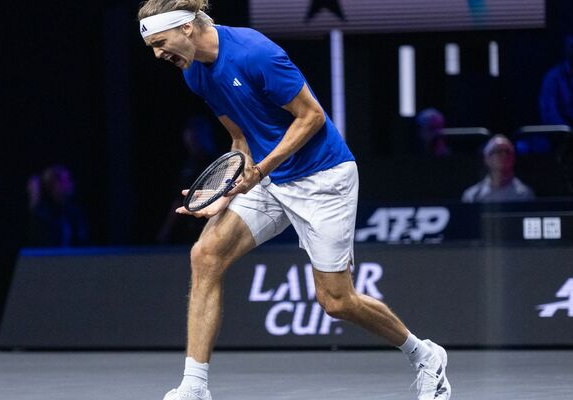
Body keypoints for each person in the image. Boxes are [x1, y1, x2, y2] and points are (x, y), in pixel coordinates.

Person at [137, 1, 451, 399]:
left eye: (160, 42)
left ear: (185, 28)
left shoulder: (255, 53)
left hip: (323, 178)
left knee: (336, 301)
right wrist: (227, 189)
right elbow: (240, 139)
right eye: (151, 46)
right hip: (269, 178)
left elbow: (312, 116)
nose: (157, 54)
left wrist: (259, 173)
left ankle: (424, 355)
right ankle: (194, 387)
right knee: (205, 255)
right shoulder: (195, 75)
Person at [157, 116, 221, 244]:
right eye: (189, 138)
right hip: (191, 232)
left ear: (206, 135)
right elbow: (179, 199)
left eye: (196, 137)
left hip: (217, 230)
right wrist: (166, 230)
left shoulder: (221, 163)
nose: (192, 142)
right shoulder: (188, 166)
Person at [27, 164, 90, 247]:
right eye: (66, 180)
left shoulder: (74, 213)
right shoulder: (42, 214)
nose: (71, 184)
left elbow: (83, 241)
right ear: (54, 185)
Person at [462, 134, 535, 203]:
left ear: (513, 158)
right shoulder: (472, 196)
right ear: (486, 158)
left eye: (507, 151)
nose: (504, 155)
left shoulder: (525, 195)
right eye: (498, 151)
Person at [539, 34, 573, 132]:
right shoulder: (553, 77)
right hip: (561, 135)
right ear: (566, 49)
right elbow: (548, 113)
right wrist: (568, 131)